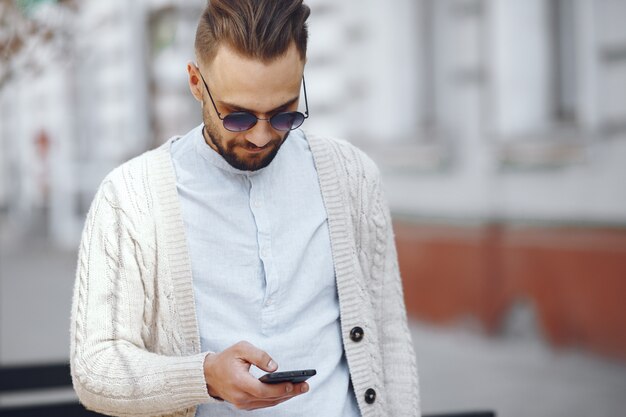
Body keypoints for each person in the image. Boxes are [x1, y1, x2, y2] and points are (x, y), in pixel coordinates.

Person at [69, 0, 419, 416]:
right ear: (196, 83)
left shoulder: (352, 177)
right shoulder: (130, 197)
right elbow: (96, 367)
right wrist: (205, 376)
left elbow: (389, 337)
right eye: (237, 117)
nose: (259, 136)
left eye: (284, 114)